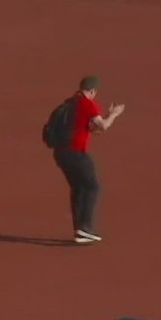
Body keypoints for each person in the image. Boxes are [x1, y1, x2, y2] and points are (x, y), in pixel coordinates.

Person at [53, 76, 125, 245]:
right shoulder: (87, 104)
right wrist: (113, 115)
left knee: (79, 187)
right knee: (92, 186)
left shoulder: (72, 103)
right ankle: (84, 228)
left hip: (61, 154)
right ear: (93, 91)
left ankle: (80, 230)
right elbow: (103, 126)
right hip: (75, 153)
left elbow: (92, 128)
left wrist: (106, 115)